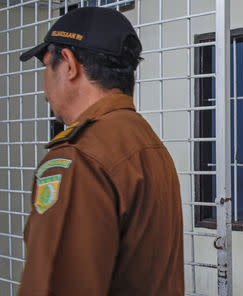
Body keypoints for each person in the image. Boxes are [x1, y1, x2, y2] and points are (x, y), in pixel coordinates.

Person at [18, 7, 184, 295]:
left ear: (69, 64)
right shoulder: (147, 144)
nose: (45, 82)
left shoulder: (78, 158)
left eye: (47, 66)